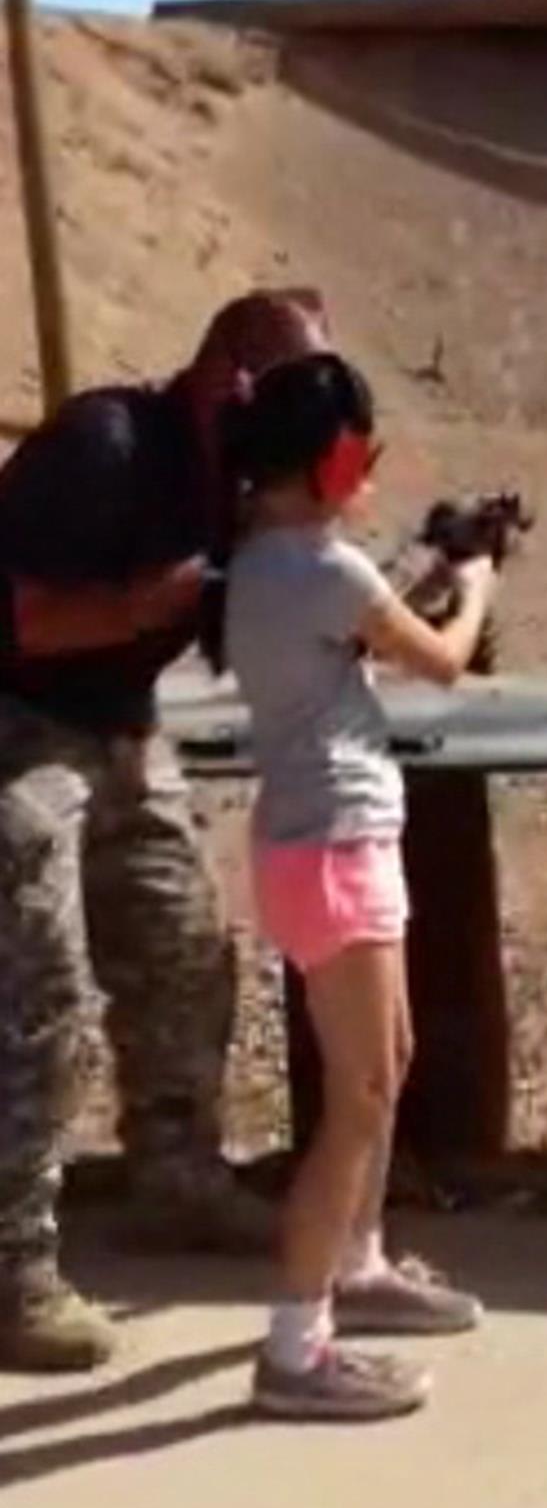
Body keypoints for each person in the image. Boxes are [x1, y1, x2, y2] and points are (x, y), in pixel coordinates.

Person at [0, 288, 330, 1374]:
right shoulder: (104, 446)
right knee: (39, 990)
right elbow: (16, 610)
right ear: (226, 380)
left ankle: (176, 1178)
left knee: (185, 944)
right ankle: (13, 1269)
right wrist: (137, 610)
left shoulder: (227, 486)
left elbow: (255, 630)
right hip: (16, 729)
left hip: (120, 732)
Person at [209, 349, 497, 1421]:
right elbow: (445, 659)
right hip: (332, 846)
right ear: (330, 459)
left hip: (325, 844)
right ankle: (296, 1346)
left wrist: (423, 571)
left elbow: (356, 637)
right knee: (359, 1100)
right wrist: (476, 580)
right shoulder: (324, 571)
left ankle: (359, 1264)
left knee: (390, 1064)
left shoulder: (268, 560)